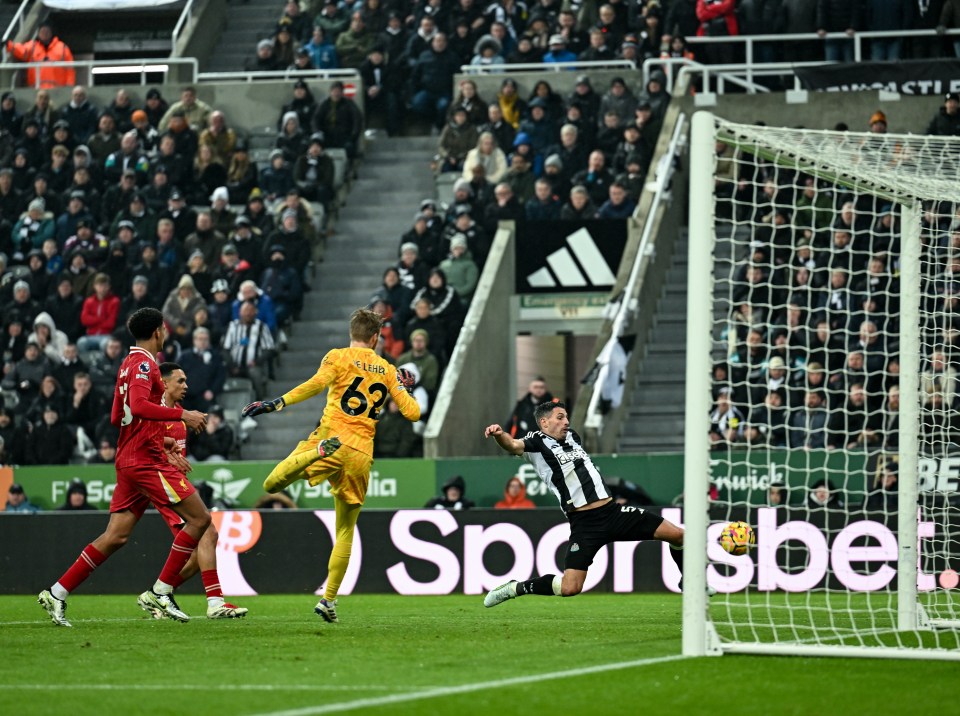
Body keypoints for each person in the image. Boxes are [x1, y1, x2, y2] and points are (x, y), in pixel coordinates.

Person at [240, 308, 420, 623]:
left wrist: (276, 403)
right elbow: (414, 413)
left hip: (330, 441)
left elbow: (315, 384)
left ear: (353, 332)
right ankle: (329, 600)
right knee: (345, 529)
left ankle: (314, 453)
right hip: (361, 453)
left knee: (271, 486)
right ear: (376, 338)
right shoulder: (388, 369)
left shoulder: (337, 356)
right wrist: (404, 389)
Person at [37, 307, 209, 628]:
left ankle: (57, 592)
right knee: (200, 519)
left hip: (130, 458)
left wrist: (162, 440)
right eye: (164, 329)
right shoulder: (145, 364)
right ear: (158, 331)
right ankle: (161, 590)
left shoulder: (128, 364)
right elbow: (140, 406)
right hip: (145, 462)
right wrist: (181, 415)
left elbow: (119, 416)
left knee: (115, 536)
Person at [482, 401, 687, 606]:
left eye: (566, 417)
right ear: (544, 423)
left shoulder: (572, 437)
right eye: (560, 417)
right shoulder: (535, 442)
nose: (567, 422)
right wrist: (499, 435)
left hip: (613, 512)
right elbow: (512, 444)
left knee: (678, 535)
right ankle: (515, 588)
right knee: (569, 587)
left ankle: (689, 581)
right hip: (585, 524)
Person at [157, 362, 247, 618]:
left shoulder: (180, 415)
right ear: (163, 383)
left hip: (178, 482)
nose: (186, 386)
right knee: (208, 530)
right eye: (180, 381)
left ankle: (160, 593)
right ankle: (214, 602)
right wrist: (164, 455)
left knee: (201, 551)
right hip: (163, 484)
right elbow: (139, 442)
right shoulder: (154, 412)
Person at [6, 21, 75, 89]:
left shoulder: (62, 48)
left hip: (58, 90)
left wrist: (69, 87)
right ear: (38, 33)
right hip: (36, 90)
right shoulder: (32, 46)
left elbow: (70, 69)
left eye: (47, 32)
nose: (44, 34)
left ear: (51, 33)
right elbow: (21, 51)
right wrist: (8, 44)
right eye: (42, 32)